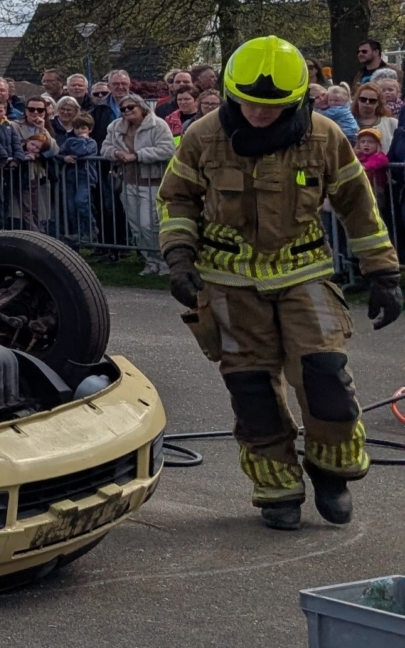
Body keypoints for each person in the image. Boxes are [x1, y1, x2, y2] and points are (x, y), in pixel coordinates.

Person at [159, 35, 398, 530]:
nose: (259, 114)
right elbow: (176, 197)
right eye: (249, 103)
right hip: (228, 282)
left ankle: (331, 471)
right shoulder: (203, 136)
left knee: (326, 378)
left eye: (272, 107)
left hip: (303, 273)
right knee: (252, 392)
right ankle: (277, 487)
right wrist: (178, 256)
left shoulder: (323, 136)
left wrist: (383, 272)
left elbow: (358, 204)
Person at [102, 91, 175, 273]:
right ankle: (149, 262)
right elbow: (105, 148)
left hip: (151, 182)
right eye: (123, 109)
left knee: (149, 225)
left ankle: (163, 262)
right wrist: (117, 153)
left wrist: (138, 156)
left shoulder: (158, 125)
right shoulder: (116, 127)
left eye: (130, 107)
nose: (126, 111)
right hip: (127, 181)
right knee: (136, 227)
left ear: (141, 107)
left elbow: (167, 149)